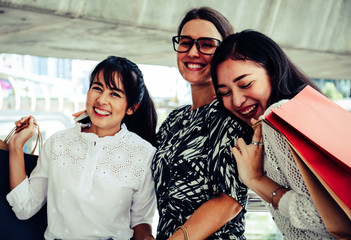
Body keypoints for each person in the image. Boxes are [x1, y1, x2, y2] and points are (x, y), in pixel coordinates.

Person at [7, 56, 158, 240]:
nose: (101, 99)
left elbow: (141, 222)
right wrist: (16, 146)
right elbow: (24, 208)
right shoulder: (57, 142)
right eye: (97, 88)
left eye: (115, 94)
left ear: (131, 108)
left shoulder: (145, 154)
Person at [211, 30, 336, 239]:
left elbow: (322, 217)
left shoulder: (276, 119)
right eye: (225, 92)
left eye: (245, 84)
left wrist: (256, 180)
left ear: (273, 72)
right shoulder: (308, 108)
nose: (237, 101)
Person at [151, 7, 253, 240]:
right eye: (185, 42)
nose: (193, 52)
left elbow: (230, 200)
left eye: (206, 44)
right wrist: (103, 117)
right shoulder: (175, 119)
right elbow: (139, 156)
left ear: (225, 52)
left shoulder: (228, 115)